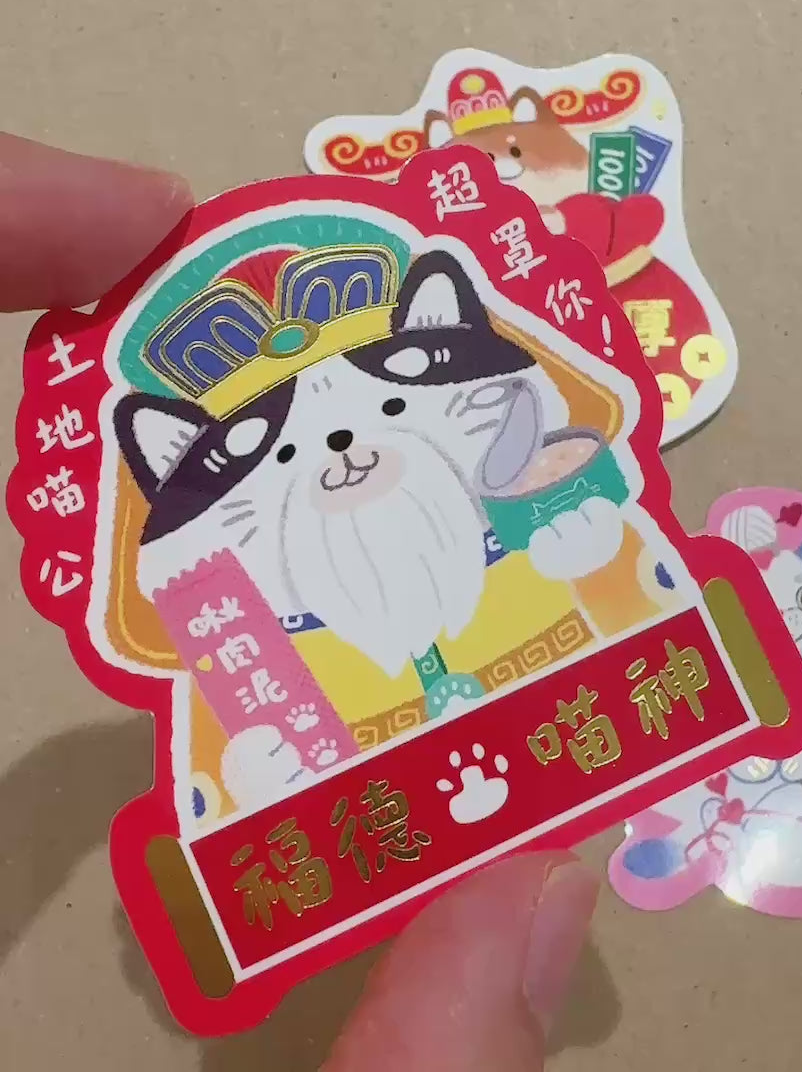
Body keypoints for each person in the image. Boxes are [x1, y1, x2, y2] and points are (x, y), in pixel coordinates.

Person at [0, 131, 599, 1071]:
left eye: (390, 408)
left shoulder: (538, 535)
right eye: (283, 453)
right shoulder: (247, 661)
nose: (347, 451)